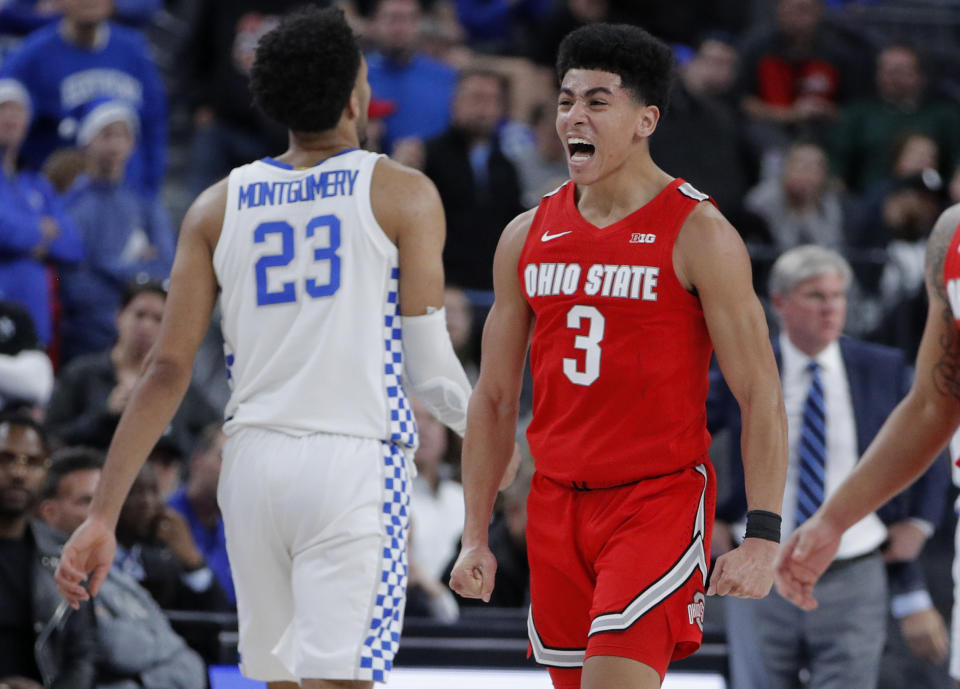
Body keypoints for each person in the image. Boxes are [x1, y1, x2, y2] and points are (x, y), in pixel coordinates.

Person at [54, 6, 475, 688]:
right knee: (341, 680)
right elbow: (430, 369)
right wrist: (494, 436)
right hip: (353, 461)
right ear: (355, 94)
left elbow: (164, 370)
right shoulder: (403, 192)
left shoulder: (216, 204)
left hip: (250, 468)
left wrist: (103, 513)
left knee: (281, 682)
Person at [448, 23, 788, 689]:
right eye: (566, 100)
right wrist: (475, 531)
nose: (574, 116)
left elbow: (760, 392)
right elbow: (491, 397)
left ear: (644, 119)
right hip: (552, 504)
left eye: (598, 102)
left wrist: (764, 535)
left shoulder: (701, 232)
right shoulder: (526, 233)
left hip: (654, 501)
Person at [709, 245, 949, 689]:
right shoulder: (747, 371)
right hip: (762, 561)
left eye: (838, 296)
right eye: (816, 296)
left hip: (855, 564)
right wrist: (708, 518)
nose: (831, 307)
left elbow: (931, 435)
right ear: (779, 302)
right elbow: (684, 437)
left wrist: (920, 521)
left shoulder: (880, 366)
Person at [774, 202, 960, 613]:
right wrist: (832, 521)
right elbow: (932, 407)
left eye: (837, 296)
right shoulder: (952, 233)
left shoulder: (876, 366)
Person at [37, 447, 208, 689]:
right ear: (50, 513)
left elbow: (192, 665)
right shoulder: (47, 570)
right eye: (89, 502)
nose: (101, 515)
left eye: (105, 503)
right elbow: (116, 647)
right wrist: (167, 655)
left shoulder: (122, 569)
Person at [0, 0, 167, 198]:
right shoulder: (31, 56)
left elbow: (154, 127)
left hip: (128, 197)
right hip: (62, 201)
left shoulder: (135, 50)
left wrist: (149, 192)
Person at [59, 98, 175, 363]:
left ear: (133, 143)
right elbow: (74, 285)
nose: (115, 144)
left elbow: (166, 267)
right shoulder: (72, 206)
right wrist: (135, 268)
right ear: (87, 141)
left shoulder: (145, 203)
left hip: (143, 341)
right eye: (107, 135)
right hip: (88, 338)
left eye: (123, 135)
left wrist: (106, 266)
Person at [46, 280, 218, 453]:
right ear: (119, 317)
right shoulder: (81, 374)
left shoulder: (177, 385)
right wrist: (104, 416)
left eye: (158, 319)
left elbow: (212, 433)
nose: (146, 326)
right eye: (139, 315)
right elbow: (51, 438)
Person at [0, 413, 97, 689]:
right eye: (6, 459)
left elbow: (82, 654)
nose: (19, 473)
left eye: (32, 463)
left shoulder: (66, 553)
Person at [167, 423, 235, 606]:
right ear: (197, 461)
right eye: (225, 456)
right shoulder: (164, 520)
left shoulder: (237, 530)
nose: (234, 468)